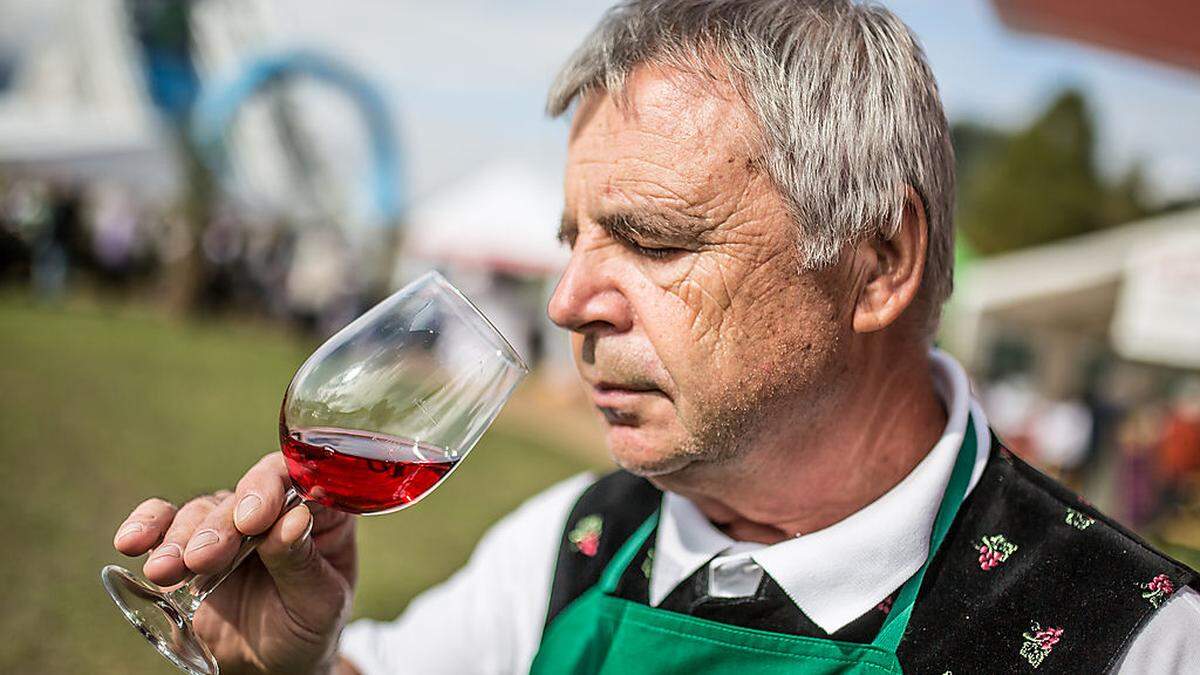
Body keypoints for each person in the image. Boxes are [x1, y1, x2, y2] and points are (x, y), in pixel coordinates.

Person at [111, 2, 1200, 672]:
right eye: (574, 239)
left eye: (655, 242)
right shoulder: (574, 541)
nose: (569, 301)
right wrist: (290, 666)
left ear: (879, 261)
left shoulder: (1141, 642)